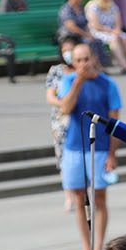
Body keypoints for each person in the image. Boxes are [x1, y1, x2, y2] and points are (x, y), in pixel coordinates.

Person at [57, 44, 121, 250]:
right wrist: (78, 82)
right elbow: (65, 108)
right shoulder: (69, 81)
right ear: (73, 63)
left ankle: (98, 248)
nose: (83, 64)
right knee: (79, 198)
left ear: (94, 58)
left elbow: (114, 122)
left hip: (99, 147)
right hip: (74, 146)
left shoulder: (108, 84)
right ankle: (87, 248)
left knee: (99, 197)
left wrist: (112, 153)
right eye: (79, 60)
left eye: (86, 59)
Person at [86, 0, 126, 75]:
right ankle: (124, 66)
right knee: (114, 39)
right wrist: (112, 31)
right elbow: (96, 25)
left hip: (112, 31)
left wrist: (117, 30)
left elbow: (118, 23)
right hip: (98, 32)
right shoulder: (93, 6)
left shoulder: (113, 6)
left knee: (125, 38)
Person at [45, 36, 80, 168]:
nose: (68, 53)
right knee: (64, 156)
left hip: (81, 116)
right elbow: (50, 96)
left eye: (71, 50)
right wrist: (65, 104)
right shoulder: (56, 71)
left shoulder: (83, 70)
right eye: (65, 50)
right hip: (61, 118)